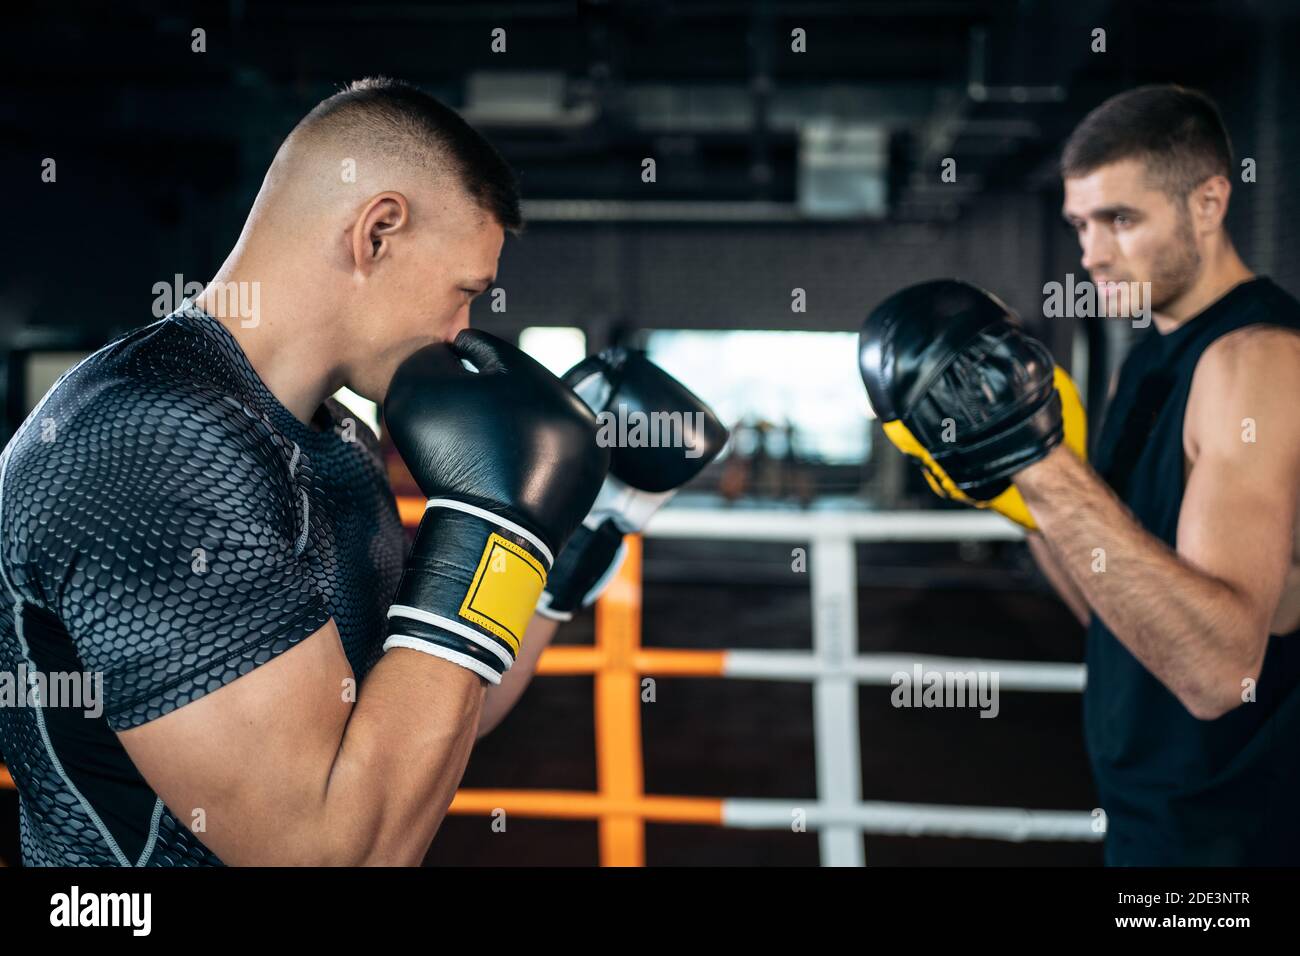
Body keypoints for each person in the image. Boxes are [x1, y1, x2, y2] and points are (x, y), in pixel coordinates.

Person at [0, 77, 724, 866]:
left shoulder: (338, 436)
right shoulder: (152, 441)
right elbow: (328, 853)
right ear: (377, 232)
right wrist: (489, 528)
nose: (462, 331)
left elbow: (425, 716)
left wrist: (587, 525)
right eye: (464, 293)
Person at [861, 85, 1300, 865]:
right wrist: (1024, 497)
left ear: (1208, 202)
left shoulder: (1257, 361)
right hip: (1150, 828)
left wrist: (1039, 458)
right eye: (1080, 224)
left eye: (1121, 220)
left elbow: (1216, 671)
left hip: (1241, 844)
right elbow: (1119, 615)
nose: (1093, 252)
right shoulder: (1147, 364)